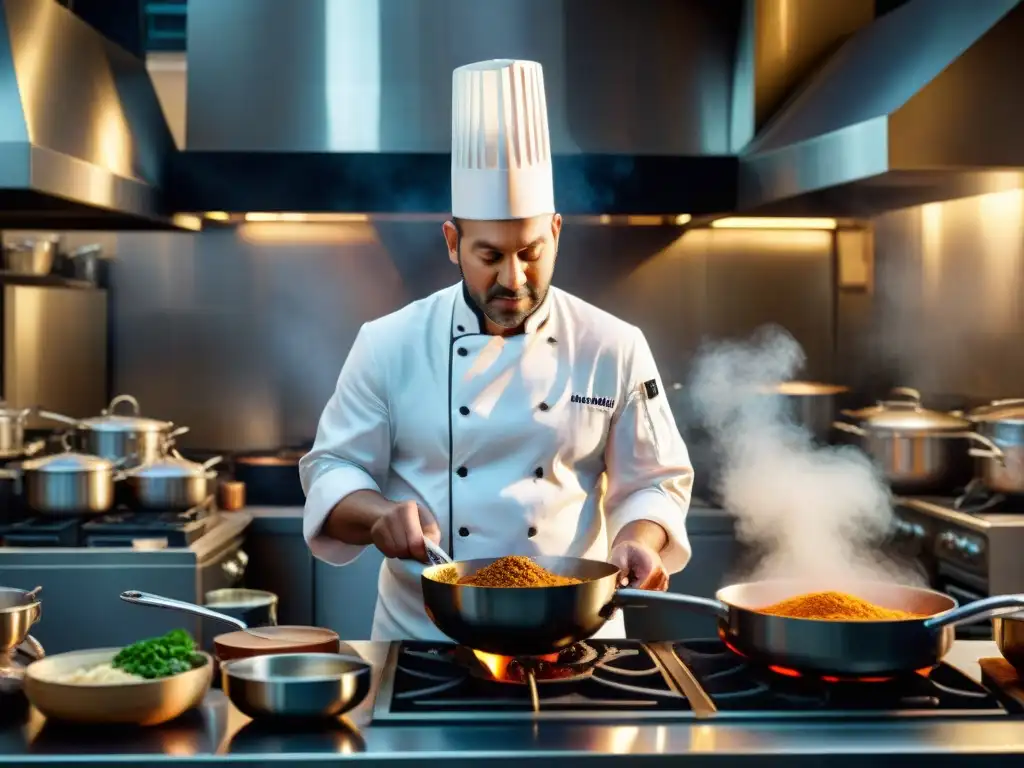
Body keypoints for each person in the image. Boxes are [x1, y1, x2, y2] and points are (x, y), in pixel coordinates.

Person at [300, 58, 694, 641]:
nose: (514, 278)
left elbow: (655, 483)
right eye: (490, 256)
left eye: (532, 251)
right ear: (453, 242)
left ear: (557, 232)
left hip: (574, 635)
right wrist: (380, 515)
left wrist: (639, 538)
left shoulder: (613, 345)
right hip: (425, 637)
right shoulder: (389, 344)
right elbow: (333, 468)